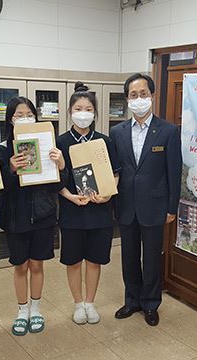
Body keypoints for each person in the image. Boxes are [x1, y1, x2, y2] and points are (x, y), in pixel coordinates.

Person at [109, 73, 182, 326]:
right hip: (126, 205)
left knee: (151, 258)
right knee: (128, 257)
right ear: (127, 98)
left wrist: (172, 207)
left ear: (152, 96)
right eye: (133, 95)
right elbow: (114, 170)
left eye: (143, 94)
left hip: (155, 206)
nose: (138, 99)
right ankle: (132, 301)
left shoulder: (168, 131)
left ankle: (151, 303)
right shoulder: (116, 132)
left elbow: (174, 171)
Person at [0, 96, 67, 336]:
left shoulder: (48, 145)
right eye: (19, 115)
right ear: (10, 120)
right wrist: (11, 169)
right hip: (16, 217)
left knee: (37, 264)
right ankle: (21, 310)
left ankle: (36, 309)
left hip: (43, 215)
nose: (25, 119)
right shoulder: (3, 150)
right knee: (20, 266)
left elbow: (58, 184)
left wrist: (61, 165)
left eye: (29, 115)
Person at [56, 82, 120, 325]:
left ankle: (91, 303)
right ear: (70, 111)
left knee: (94, 260)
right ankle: (78, 303)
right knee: (73, 261)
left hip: (100, 210)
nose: (84, 114)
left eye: (88, 109)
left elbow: (115, 172)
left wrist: (108, 194)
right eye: (78, 108)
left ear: (94, 113)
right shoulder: (60, 142)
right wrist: (69, 196)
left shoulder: (105, 141)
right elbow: (55, 179)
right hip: (72, 210)